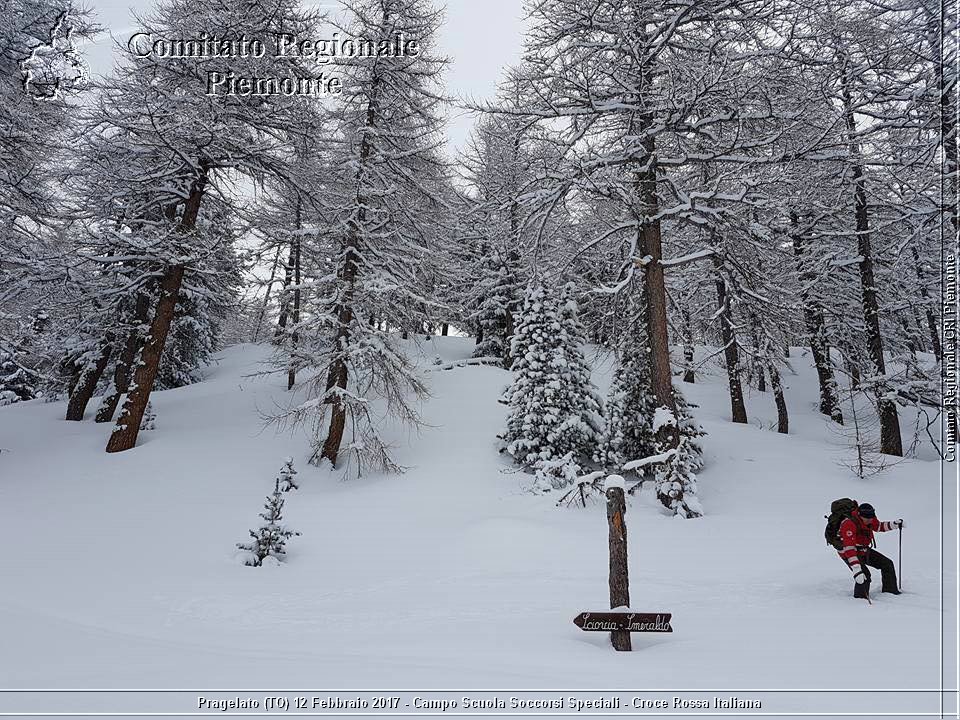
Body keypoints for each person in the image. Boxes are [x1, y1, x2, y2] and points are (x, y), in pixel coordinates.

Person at [837, 503, 903, 598]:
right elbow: (849, 548)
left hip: (863, 549)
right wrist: (856, 569)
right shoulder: (848, 524)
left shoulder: (870, 518)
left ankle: (890, 592)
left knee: (887, 564)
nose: (870, 520)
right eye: (867, 518)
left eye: (872, 517)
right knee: (863, 575)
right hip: (847, 552)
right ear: (860, 515)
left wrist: (894, 525)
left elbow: (879, 526)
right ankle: (860, 599)